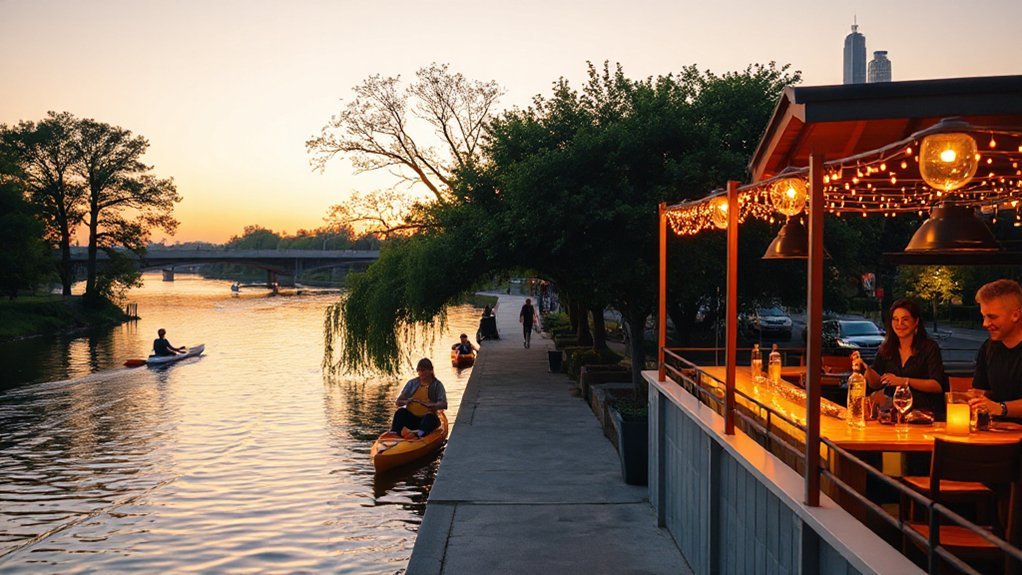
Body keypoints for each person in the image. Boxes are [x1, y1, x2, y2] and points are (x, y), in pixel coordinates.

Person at [851, 299, 948, 419]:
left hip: (925, 415)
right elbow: (876, 384)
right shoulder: (886, 348)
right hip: (893, 416)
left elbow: (937, 385)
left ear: (916, 321)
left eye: (905, 319)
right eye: (895, 319)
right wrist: (866, 369)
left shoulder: (929, 347)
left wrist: (904, 381)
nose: (899, 324)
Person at [968, 279, 1022, 421]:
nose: (985, 324)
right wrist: (975, 398)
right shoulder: (988, 347)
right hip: (997, 429)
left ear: (1015, 315)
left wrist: (1000, 408)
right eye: (984, 316)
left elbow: (995, 406)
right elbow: (982, 391)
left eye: (992, 317)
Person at [384, 358, 448, 439]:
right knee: (400, 412)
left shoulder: (437, 385)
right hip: (412, 419)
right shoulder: (412, 383)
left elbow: (444, 404)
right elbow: (398, 402)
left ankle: (419, 435)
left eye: (423, 371)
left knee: (429, 418)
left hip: (427, 419)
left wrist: (432, 405)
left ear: (431, 370)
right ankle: (395, 433)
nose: (421, 373)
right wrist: (407, 401)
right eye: (419, 371)